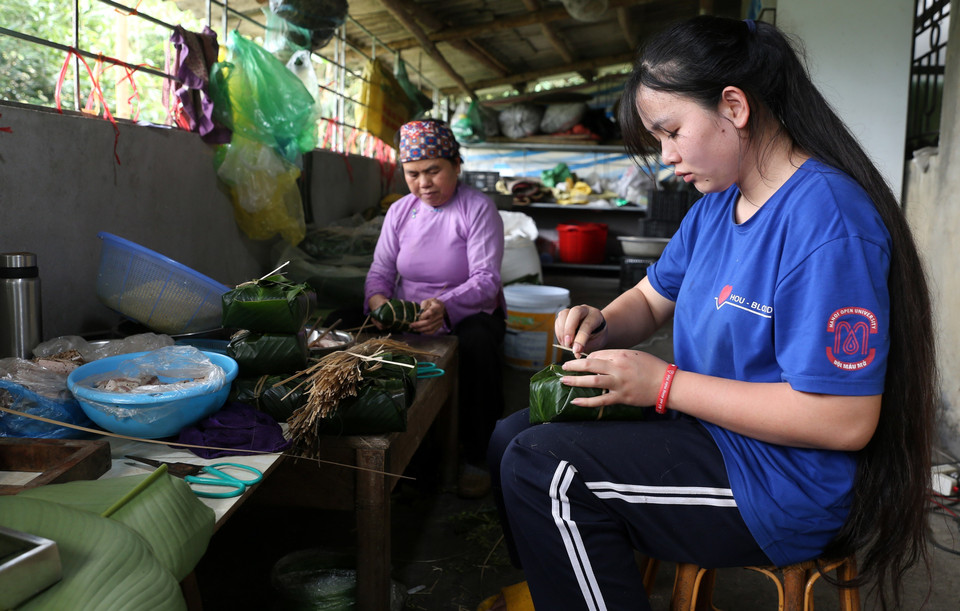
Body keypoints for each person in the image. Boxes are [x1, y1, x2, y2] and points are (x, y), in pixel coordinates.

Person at [487, 15, 937, 610]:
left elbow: (844, 420)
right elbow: (650, 299)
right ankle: (565, 578)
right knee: (511, 436)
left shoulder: (828, 224)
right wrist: (601, 320)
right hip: (709, 434)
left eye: (671, 132)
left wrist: (662, 384)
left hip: (780, 483)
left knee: (546, 473)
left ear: (733, 106)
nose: (667, 157)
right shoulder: (716, 206)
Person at [365, 118, 507, 498]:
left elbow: (486, 280)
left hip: (470, 310)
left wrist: (444, 305)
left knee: (477, 347)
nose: (423, 183)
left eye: (433, 171)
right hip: (412, 311)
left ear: (456, 166)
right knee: (362, 338)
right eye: (413, 174)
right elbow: (380, 271)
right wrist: (378, 301)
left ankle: (478, 454)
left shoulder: (477, 209)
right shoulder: (400, 212)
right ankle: (398, 447)